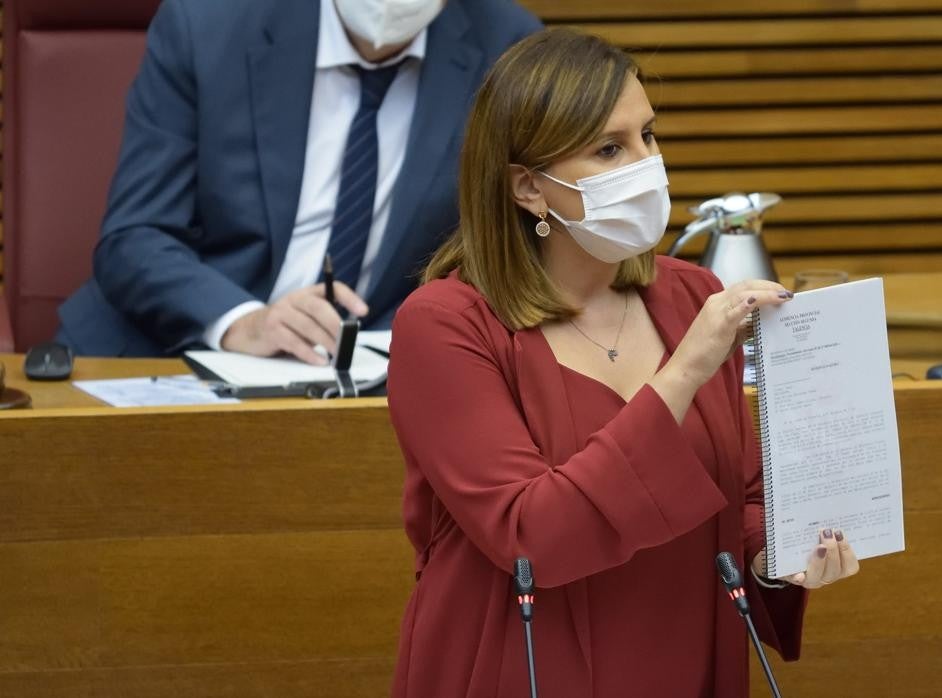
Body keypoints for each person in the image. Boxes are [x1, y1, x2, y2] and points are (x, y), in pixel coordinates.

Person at [386, 28, 861, 698]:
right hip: (519, 662)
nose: (646, 164)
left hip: (685, 649)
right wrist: (683, 372)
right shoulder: (444, 324)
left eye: (649, 136)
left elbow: (740, 495)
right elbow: (531, 535)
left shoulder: (689, 294)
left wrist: (777, 554)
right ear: (528, 189)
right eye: (610, 148)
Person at [56, 0, 541, 362]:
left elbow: (510, 251)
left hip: (370, 377)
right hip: (172, 352)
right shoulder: (206, 24)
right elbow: (135, 237)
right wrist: (242, 322)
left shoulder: (507, 48)